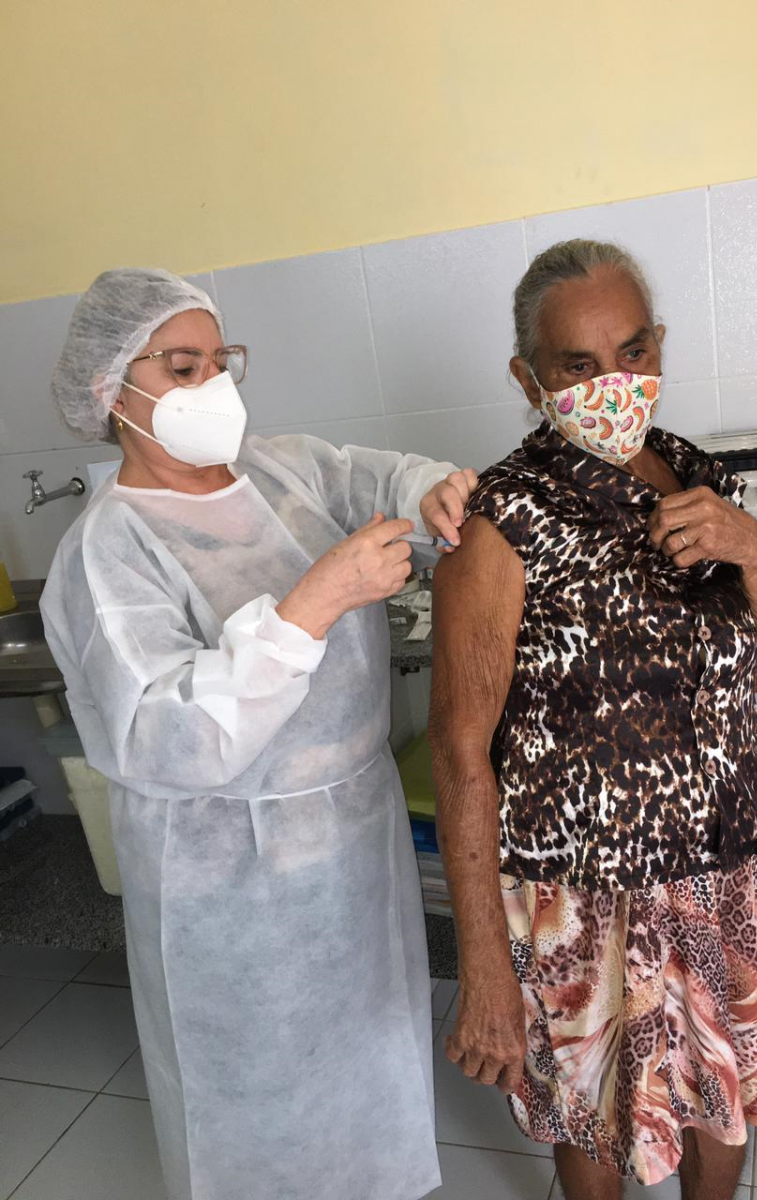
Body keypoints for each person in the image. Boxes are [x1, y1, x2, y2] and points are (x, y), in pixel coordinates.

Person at [41, 267, 477, 1200]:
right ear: (112, 391)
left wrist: (435, 490)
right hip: (228, 876)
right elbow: (171, 735)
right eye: (183, 366)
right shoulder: (108, 550)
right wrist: (312, 603)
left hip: (354, 842)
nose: (213, 385)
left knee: (369, 1059)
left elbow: (383, 477)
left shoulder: (282, 471)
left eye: (220, 360)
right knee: (259, 1099)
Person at [428, 240, 757, 1200]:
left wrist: (755, 554)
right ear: (529, 379)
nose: (614, 383)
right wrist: (484, 966)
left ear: (659, 345)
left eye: (632, 352)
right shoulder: (502, 521)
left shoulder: (699, 477)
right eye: (578, 365)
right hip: (579, 895)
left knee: (720, 1097)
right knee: (592, 1114)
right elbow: (460, 753)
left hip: (715, 872)